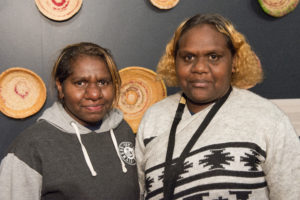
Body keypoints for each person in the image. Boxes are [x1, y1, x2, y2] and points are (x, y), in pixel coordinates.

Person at [135, 14, 300, 200]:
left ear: (235, 61)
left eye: (213, 57)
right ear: (174, 62)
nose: (199, 68)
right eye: (188, 57)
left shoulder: (268, 118)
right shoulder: (153, 119)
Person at [0, 42, 139, 200]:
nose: (94, 94)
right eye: (80, 83)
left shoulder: (123, 130)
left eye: (103, 82)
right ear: (61, 87)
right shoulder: (30, 147)